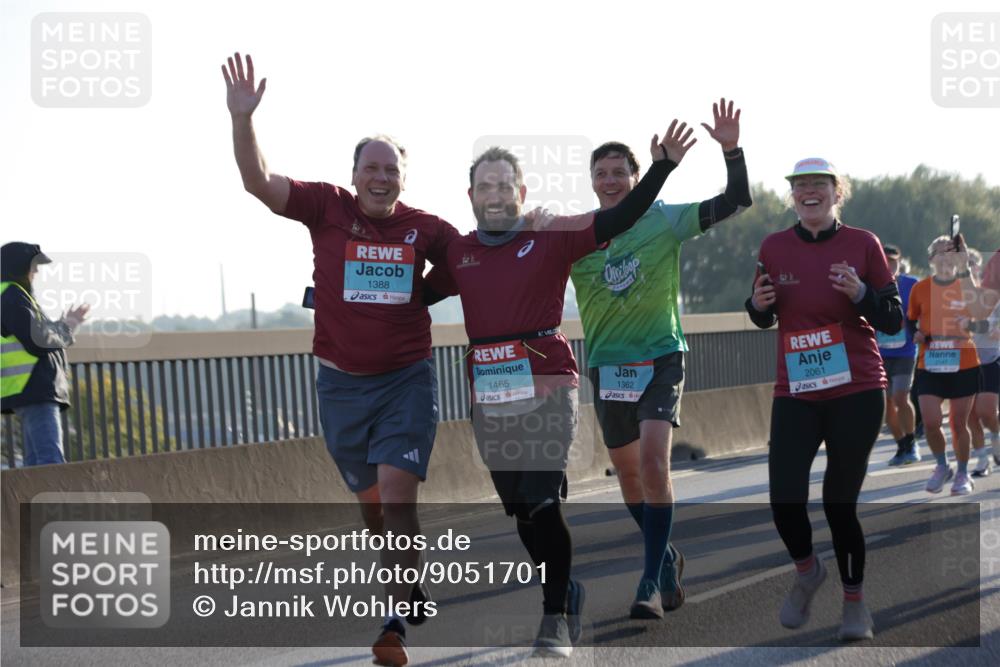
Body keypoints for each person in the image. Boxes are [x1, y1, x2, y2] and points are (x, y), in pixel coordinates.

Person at [221, 53, 460, 667]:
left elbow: (478, 265)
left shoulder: (426, 229)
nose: (380, 177)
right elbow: (257, 182)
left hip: (406, 382)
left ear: (404, 178)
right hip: (340, 389)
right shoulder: (326, 207)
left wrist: (529, 232)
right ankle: (410, 585)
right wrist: (242, 118)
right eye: (370, 168)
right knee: (374, 509)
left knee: (398, 497)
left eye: (391, 169)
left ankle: (394, 623)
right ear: (354, 175)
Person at [425, 121, 696, 657]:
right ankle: (566, 586)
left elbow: (621, 215)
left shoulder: (550, 236)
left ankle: (557, 614)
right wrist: (331, 297)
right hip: (489, 392)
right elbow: (411, 296)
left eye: (507, 185)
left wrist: (662, 167)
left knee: (543, 499)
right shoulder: (460, 253)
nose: (497, 194)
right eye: (487, 185)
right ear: (472, 196)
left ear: (521, 194)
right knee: (522, 511)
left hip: (548, 382)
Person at [569, 99, 751, 618]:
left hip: (661, 358)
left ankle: (648, 580)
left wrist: (732, 151)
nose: (610, 180)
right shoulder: (579, 236)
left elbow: (737, 200)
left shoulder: (664, 220)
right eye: (600, 173)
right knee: (629, 478)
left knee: (654, 462)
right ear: (592, 181)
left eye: (618, 171)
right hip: (608, 365)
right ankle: (667, 556)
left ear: (634, 175)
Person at [746, 158, 902, 642]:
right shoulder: (773, 246)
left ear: (838, 193)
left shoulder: (863, 244)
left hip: (857, 388)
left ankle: (854, 603)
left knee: (839, 503)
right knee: (783, 500)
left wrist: (861, 294)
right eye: (800, 186)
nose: (808, 192)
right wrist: (757, 306)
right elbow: (759, 312)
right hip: (796, 389)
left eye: (819, 184)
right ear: (793, 196)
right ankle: (808, 570)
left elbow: (893, 320)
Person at [1, 243, 89, 465]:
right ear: (20, 267)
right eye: (34, 267)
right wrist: (67, 327)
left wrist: (67, 325)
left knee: (35, 464)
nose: (37, 272)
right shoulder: (12, 295)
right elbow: (37, 342)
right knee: (50, 463)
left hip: (29, 388)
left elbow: (39, 335)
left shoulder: (14, 295)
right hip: (34, 388)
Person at [909, 235, 981, 496]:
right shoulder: (920, 288)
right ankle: (942, 465)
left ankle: (962, 473)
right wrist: (915, 334)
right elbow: (910, 319)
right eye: (938, 253)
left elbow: (980, 314)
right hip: (930, 362)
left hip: (963, 361)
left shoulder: (965, 284)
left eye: (948, 252)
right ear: (930, 260)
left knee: (958, 423)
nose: (944, 257)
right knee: (930, 420)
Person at [878, 245, 921, 465]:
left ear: (899, 261)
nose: (889, 266)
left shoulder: (911, 284)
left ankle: (912, 443)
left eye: (892, 262)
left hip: (905, 351)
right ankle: (901, 444)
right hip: (879, 353)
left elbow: (925, 310)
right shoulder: (871, 284)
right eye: (884, 261)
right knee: (884, 405)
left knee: (900, 397)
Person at [959, 249, 999, 477]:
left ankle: (995, 438)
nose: (969, 268)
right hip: (964, 360)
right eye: (965, 265)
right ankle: (983, 460)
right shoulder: (956, 296)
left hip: (990, 358)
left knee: (986, 411)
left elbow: (993, 329)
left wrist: (971, 325)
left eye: (973, 264)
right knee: (970, 416)